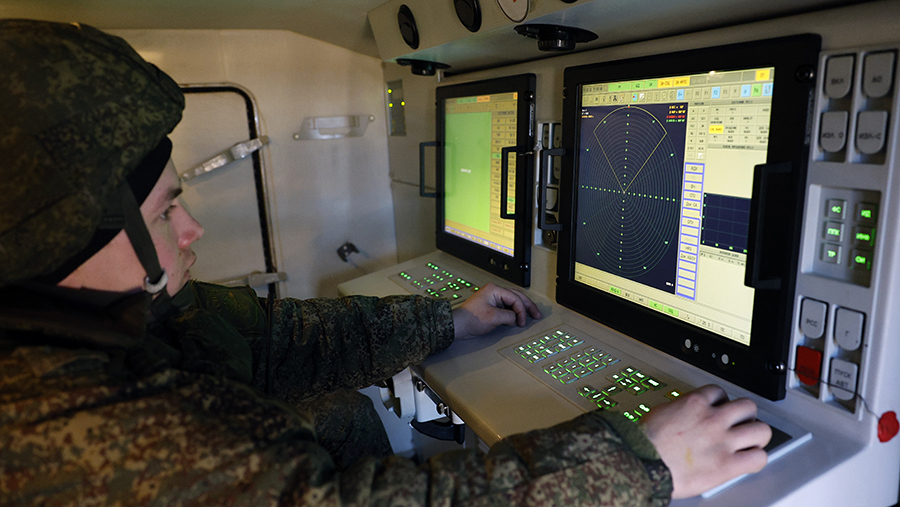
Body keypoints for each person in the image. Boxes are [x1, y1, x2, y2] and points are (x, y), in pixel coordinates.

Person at [0, 19, 771, 506]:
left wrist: (443, 322)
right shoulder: (65, 425)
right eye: (166, 210)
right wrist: (641, 460)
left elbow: (274, 340)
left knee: (345, 415)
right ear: (65, 236)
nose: (193, 226)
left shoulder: (110, 315)